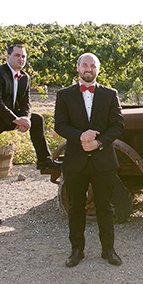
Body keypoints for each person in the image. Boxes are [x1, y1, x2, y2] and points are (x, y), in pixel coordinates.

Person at [0, 43, 61, 225]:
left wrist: (25, 117)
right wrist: (17, 120)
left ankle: (43, 159)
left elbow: (26, 102)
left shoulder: (25, 78)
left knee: (37, 119)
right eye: (17, 56)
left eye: (23, 57)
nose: (20, 60)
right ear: (8, 57)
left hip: (3, 118)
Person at [54, 53, 125, 268]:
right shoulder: (64, 95)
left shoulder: (110, 94)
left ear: (98, 69)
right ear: (77, 67)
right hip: (76, 161)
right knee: (76, 207)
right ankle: (77, 250)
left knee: (105, 206)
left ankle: (108, 250)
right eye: (85, 65)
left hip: (103, 161)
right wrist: (79, 136)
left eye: (92, 66)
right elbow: (60, 124)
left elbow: (118, 125)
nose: (88, 69)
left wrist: (99, 143)